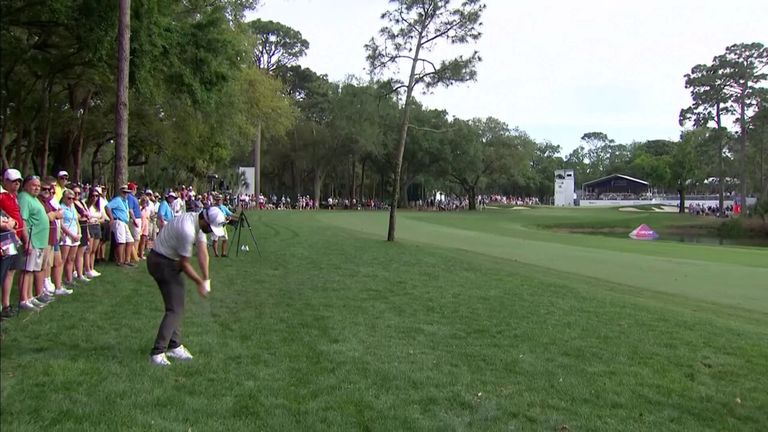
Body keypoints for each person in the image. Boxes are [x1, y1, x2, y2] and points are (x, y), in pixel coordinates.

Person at [147, 206, 227, 366]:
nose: (211, 231)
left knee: (176, 304)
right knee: (174, 308)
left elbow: (203, 252)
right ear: (204, 220)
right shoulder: (188, 230)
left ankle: (174, 345)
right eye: (211, 228)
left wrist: (206, 279)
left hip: (168, 261)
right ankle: (157, 352)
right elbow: (184, 264)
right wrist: (199, 283)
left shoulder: (199, 223)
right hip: (160, 261)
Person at [1, 168, 28, 317]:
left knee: (11, 272)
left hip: (15, 240)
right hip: (5, 239)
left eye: (18, 181)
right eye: (13, 181)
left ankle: (6, 304)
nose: (16, 184)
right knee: (4, 272)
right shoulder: (2, 196)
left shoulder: (13, 197)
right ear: (5, 181)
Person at [105, 185, 134, 267]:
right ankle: (120, 261)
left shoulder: (126, 201)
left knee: (130, 241)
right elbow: (107, 207)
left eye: (127, 193)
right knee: (121, 242)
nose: (126, 194)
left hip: (124, 222)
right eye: (124, 192)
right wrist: (111, 218)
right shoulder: (117, 200)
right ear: (121, 192)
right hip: (118, 221)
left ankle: (127, 260)